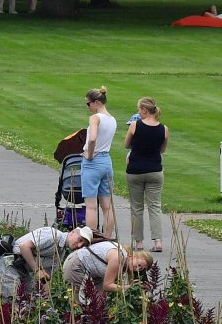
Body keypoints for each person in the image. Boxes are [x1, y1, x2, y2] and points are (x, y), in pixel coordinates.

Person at [0, 226, 90, 301]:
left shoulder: (61, 252)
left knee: (28, 299)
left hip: (22, 270)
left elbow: (46, 277)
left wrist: (46, 300)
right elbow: (24, 246)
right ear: (73, 232)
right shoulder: (54, 235)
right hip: (9, 263)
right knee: (12, 298)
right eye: (80, 240)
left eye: (83, 245)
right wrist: (37, 270)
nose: (79, 245)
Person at [124, 97, 168, 253]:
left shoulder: (135, 125)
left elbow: (126, 144)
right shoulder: (163, 128)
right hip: (155, 170)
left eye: (139, 109)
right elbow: (162, 149)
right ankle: (158, 241)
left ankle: (139, 242)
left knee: (137, 208)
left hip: (136, 170)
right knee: (155, 206)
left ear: (144, 110)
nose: (138, 112)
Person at [62, 239, 152, 300]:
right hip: (77, 265)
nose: (137, 268)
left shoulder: (124, 264)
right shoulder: (119, 258)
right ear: (134, 256)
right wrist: (129, 287)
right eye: (139, 264)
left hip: (91, 272)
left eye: (141, 269)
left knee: (100, 302)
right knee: (82, 302)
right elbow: (107, 286)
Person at [82, 86, 117, 237]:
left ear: (96, 102)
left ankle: (93, 238)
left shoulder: (95, 118)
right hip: (106, 160)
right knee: (107, 207)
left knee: (91, 206)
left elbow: (93, 138)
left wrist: (89, 154)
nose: (88, 107)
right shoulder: (112, 119)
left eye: (88, 104)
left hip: (93, 162)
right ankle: (107, 237)